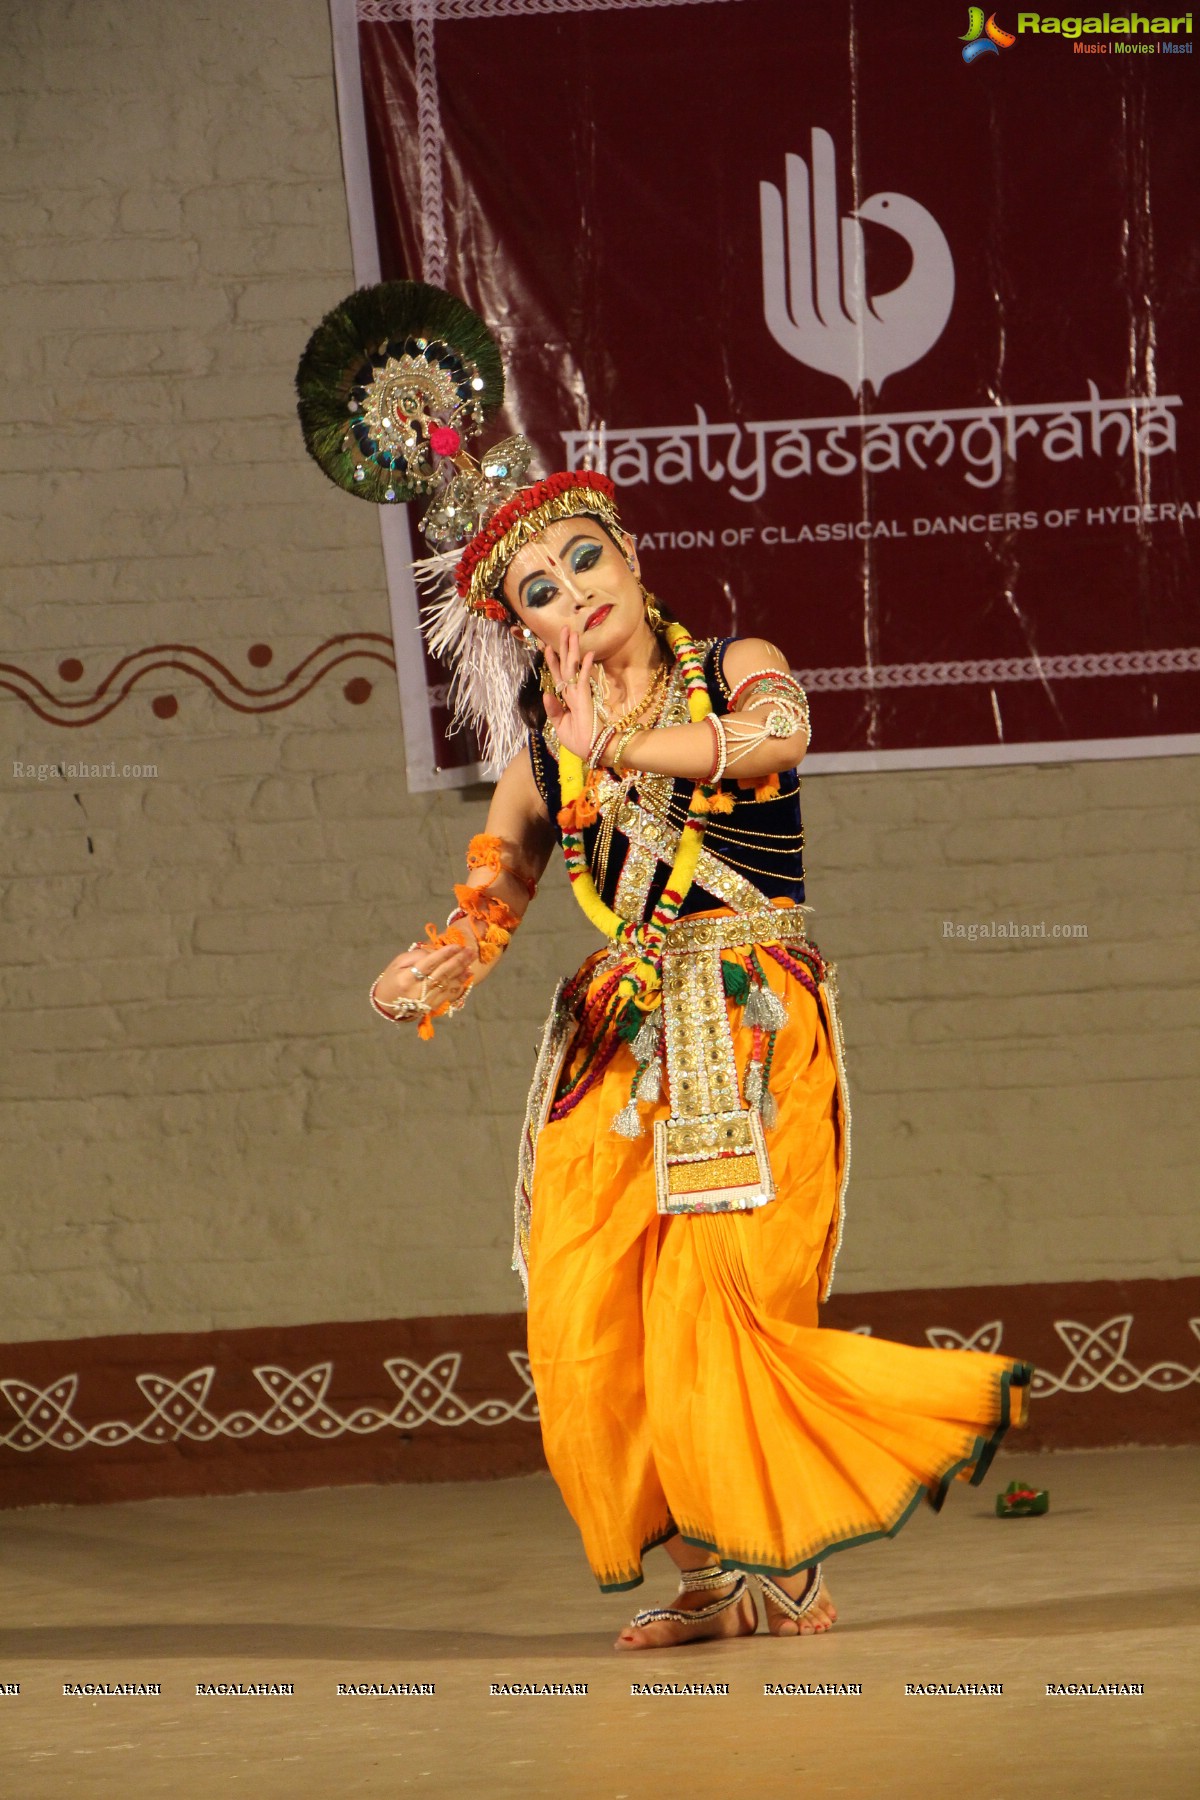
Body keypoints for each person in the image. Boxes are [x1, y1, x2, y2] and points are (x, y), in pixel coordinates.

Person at [298, 284, 1032, 1651]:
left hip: (748, 1016)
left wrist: (625, 745)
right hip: (617, 1040)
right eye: (538, 588)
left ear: (630, 559)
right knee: (594, 1316)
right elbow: (499, 890)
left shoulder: (732, 667)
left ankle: (784, 1555)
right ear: (519, 625)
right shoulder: (536, 759)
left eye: (584, 561)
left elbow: (769, 742)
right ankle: (704, 1573)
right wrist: (444, 963)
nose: (573, 593)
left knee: (727, 1302)